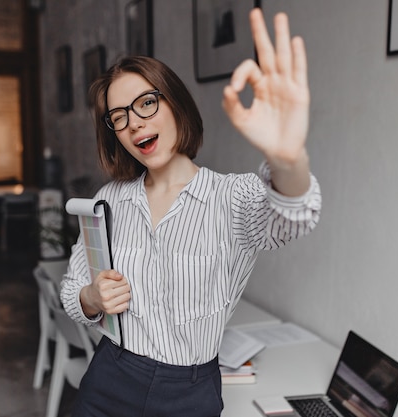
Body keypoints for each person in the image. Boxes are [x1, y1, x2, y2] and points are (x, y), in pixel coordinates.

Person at [60, 8, 321, 417]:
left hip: (189, 392)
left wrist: (287, 158)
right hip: (109, 375)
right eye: (119, 116)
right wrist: (91, 296)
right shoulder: (108, 200)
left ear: (175, 103)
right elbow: (73, 287)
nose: (134, 123)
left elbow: (294, 215)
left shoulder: (231, 198)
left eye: (146, 102)